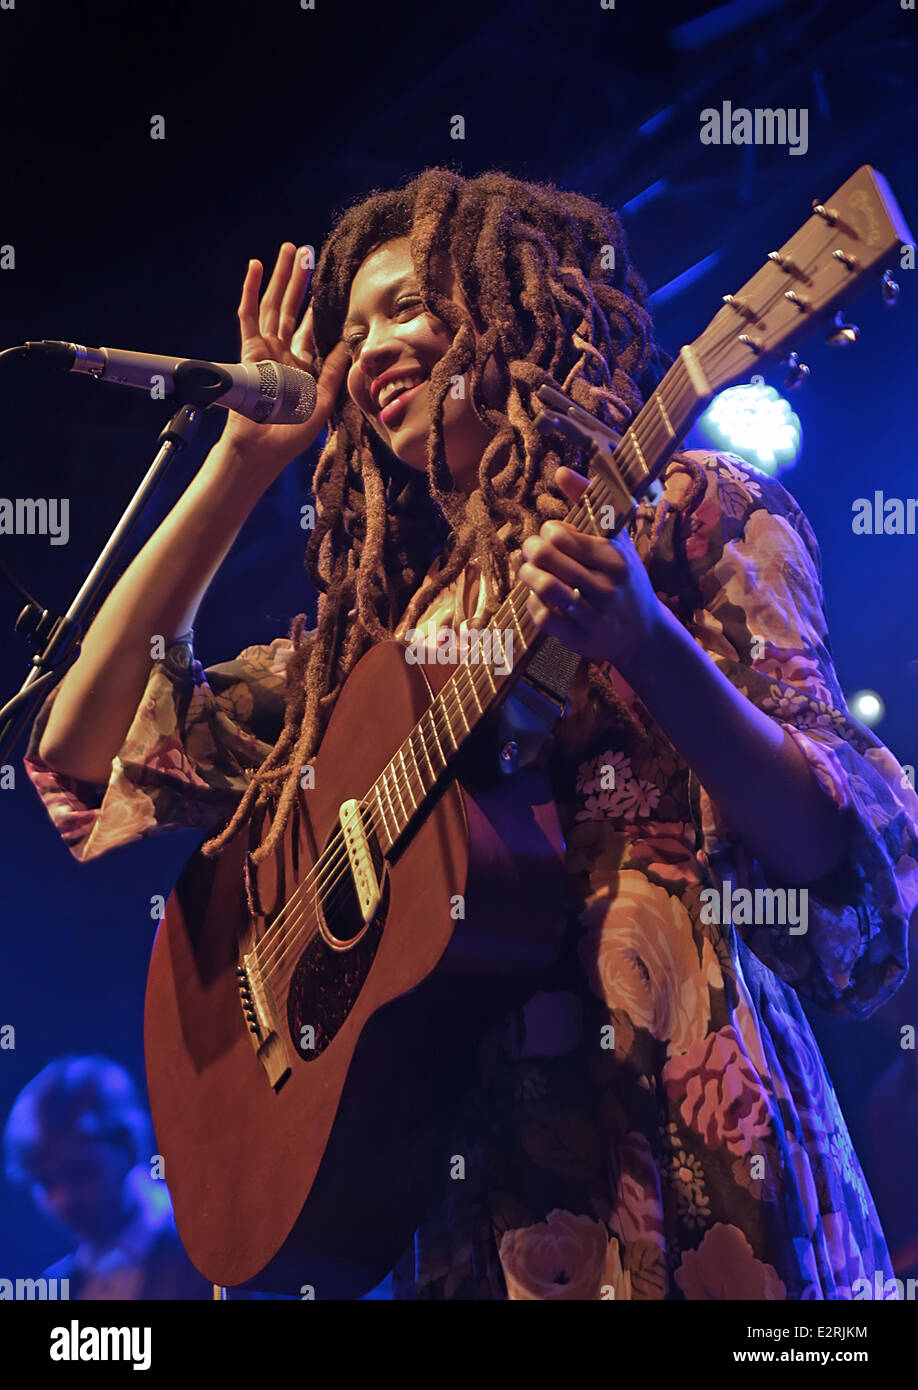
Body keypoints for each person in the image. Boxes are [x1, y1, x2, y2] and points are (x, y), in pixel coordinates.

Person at [25, 167, 918, 1300]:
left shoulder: (684, 510)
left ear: (520, 302)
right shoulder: (367, 652)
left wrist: (649, 641)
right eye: (353, 330)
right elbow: (85, 748)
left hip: (689, 1160)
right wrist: (241, 464)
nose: (374, 345)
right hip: (459, 1209)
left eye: (409, 305)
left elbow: (844, 867)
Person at [3, 1055, 213, 1299]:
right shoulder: (54, 1287)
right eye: (46, 1183)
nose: (63, 1200)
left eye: (80, 1172)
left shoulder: (211, 1248)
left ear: (130, 1146)